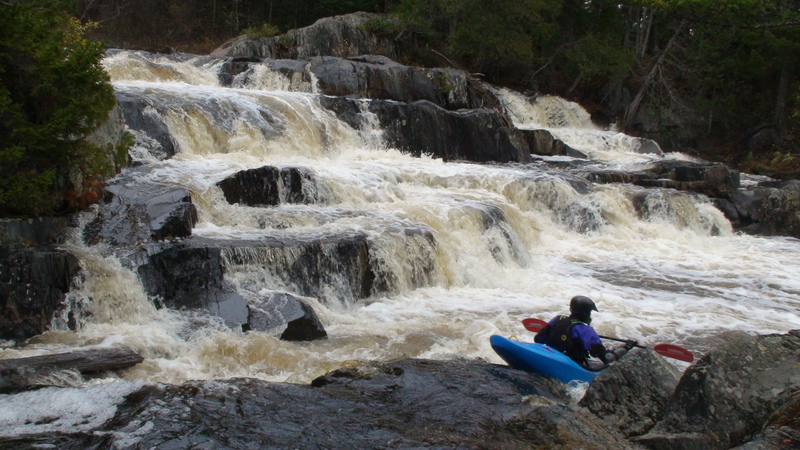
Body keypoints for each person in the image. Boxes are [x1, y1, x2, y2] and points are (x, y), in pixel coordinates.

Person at [534, 295, 635, 371]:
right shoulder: (586, 330)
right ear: (585, 313)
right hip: (571, 365)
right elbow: (607, 358)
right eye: (590, 312)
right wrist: (627, 347)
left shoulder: (558, 319)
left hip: (549, 356)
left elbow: (538, 339)